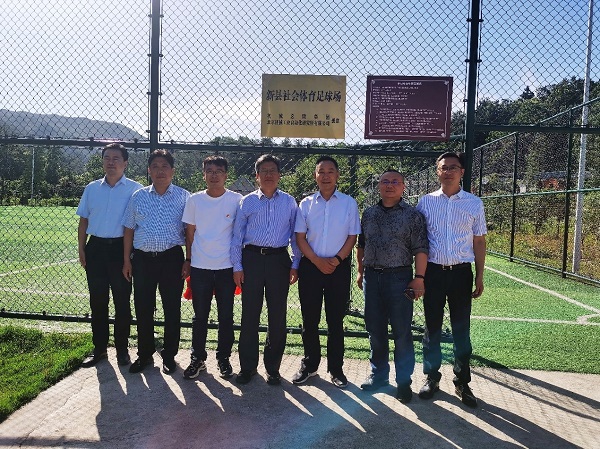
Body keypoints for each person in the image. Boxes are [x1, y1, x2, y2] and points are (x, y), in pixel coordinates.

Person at [416, 151, 487, 408]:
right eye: (443, 167)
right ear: (437, 172)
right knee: (432, 328)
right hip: (433, 272)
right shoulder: (425, 202)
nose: (448, 172)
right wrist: (419, 275)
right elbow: (419, 241)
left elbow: (479, 241)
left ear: (462, 172)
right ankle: (431, 378)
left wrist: (479, 275)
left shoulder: (473, 203)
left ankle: (462, 382)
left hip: (460, 273)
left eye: (453, 167)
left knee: (461, 330)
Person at [356, 169, 428, 403]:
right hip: (372, 277)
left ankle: (404, 381)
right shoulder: (369, 214)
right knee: (375, 330)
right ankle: (379, 376)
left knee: (402, 332)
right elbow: (361, 245)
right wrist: (360, 271)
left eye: (395, 181)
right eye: (385, 181)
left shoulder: (413, 215)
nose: (389, 185)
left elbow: (421, 249)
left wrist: (419, 278)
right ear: (379, 185)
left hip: (400, 278)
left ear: (403, 187)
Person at [231, 154, 300, 386]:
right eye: (264, 171)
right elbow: (237, 237)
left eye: (273, 170)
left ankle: (273, 368)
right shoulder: (247, 201)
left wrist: (295, 264)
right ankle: (248, 367)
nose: (268, 175)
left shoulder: (289, 202)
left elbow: (295, 236)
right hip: (251, 259)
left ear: (279, 175)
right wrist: (237, 266)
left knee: (277, 316)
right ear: (257, 176)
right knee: (250, 314)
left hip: (278, 261)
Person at [292, 156, 360, 388]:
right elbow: (300, 237)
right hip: (311, 268)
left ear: (337, 175)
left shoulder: (349, 203)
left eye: (331, 171)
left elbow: (352, 237)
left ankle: (336, 369)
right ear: (315, 176)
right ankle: (310, 365)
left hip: (338, 268)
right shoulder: (306, 204)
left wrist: (337, 259)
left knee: (335, 321)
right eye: (321, 171)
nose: (326, 176)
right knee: (309, 319)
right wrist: (316, 261)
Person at [122, 149, 190, 374]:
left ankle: (169, 355)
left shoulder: (184, 197)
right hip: (142, 259)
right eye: (155, 167)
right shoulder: (138, 196)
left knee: (172, 308)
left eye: (164, 166)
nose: (160, 171)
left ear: (172, 171)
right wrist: (126, 260)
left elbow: (190, 232)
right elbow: (129, 229)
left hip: (172, 258)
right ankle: (145, 354)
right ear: (149, 170)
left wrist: (188, 259)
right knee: (143, 308)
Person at [76, 143, 143, 367]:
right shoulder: (92, 188)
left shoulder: (135, 190)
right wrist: (82, 248)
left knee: (122, 301)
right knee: (98, 301)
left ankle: (122, 349)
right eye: (107, 158)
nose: (111, 162)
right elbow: (83, 220)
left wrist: (128, 257)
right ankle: (100, 349)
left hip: (121, 250)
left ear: (125, 163)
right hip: (95, 249)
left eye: (116, 158)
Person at [181, 156, 242, 379]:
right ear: (204, 174)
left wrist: (238, 265)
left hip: (226, 267)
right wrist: (189, 259)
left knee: (226, 316)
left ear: (226, 175)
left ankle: (223, 358)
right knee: (200, 316)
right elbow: (189, 233)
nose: (214, 175)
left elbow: (239, 233)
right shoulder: (194, 200)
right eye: (209, 171)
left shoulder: (236, 200)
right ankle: (197, 358)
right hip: (200, 267)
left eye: (218, 171)